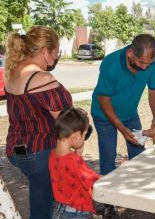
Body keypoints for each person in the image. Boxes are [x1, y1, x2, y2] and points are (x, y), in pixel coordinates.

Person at [4, 26, 73, 218]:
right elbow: (66, 120)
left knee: (39, 192)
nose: (56, 58)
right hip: (39, 151)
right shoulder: (41, 78)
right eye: (56, 52)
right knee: (43, 207)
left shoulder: (14, 71)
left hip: (17, 150)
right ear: (45, 52)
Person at [91, 34, 155, 215]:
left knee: (138, 153)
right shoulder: (111, 63)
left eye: (149, 64)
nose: (146, 67)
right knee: (108, 155)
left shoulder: (153, 62)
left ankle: (138, 194)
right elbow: (104, 99)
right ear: (130, 53)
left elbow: (154, 92)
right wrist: (122, 129)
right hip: (103, 115)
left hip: (130, 113)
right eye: (142, 62)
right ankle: (107, 205)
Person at [49, 107, 100, 219]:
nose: (84, 139)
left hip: (60, 209)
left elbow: (70, 174)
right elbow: (94, 181)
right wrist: (118, 174)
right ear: (76, 136)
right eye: (84, 134)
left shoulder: (53, 154)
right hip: (76, 212)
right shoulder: (73, 160)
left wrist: (78, 154)